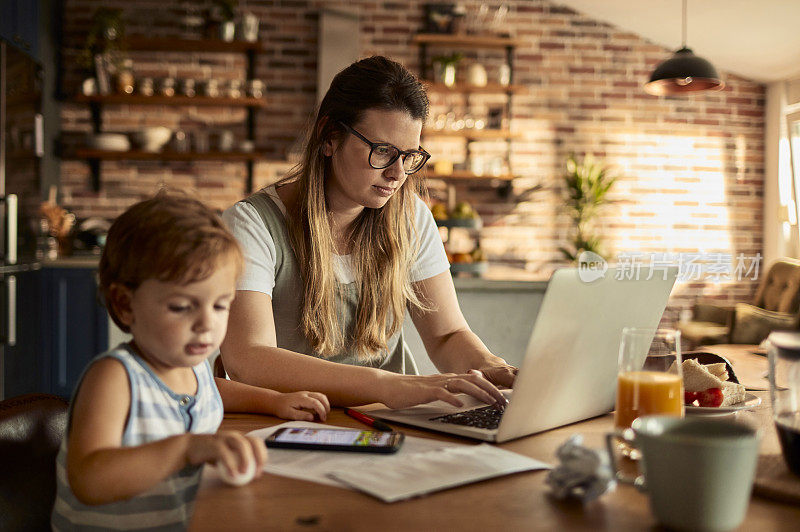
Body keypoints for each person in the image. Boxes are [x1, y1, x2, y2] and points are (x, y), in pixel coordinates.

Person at [221, 55, 517, 409]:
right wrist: (384, 385)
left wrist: (492, 367)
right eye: (383, 151)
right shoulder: (252, 224)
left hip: (392, 422)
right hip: (297, 425)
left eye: (408, 156)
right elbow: (248, 360)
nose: (397, 174)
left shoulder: (411, 218)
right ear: (329, 137)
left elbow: (446, 335)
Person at [52, 193, 330, 530]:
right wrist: (187, 449)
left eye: (219, 305)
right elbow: (89, 480)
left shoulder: (192, 366)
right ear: (125, 304)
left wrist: (275, 401)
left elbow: (212, 390)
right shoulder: (114, 377)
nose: (206, 324)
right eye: (182, 307)